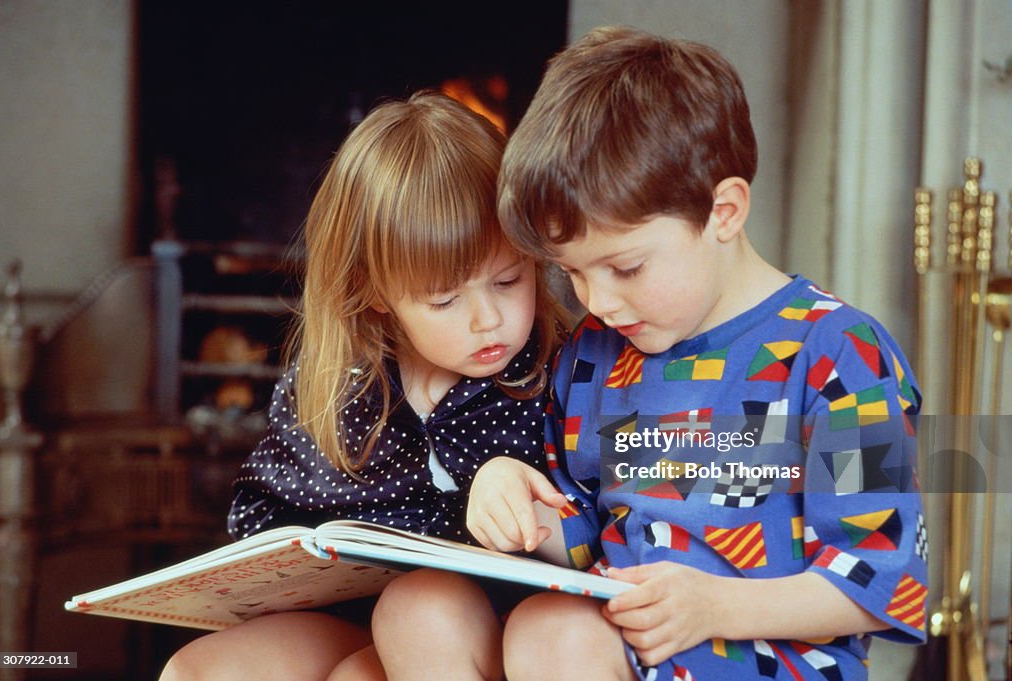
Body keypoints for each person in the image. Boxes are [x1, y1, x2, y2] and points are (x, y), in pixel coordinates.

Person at [466, 26, 928, 681]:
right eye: (573, 272)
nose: (596, 301)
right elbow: (585, 536)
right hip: (619, 645)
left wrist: (718, 606)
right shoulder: (597, 355)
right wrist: (512, 496)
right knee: (542, 628)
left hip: (768, 654)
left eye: (625, 267)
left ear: (725, 211)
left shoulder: (838, 353)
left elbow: (878, 579)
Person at [159, 91, 567, 681]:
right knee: (193, 671)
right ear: (377, 292)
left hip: (488, 625)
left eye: (509, 280)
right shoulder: (336, 383)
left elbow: (605, 520)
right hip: (352, 607)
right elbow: (264, 516)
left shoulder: (557, 373)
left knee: (395, 635)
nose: (488, 319)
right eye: (445, 299)